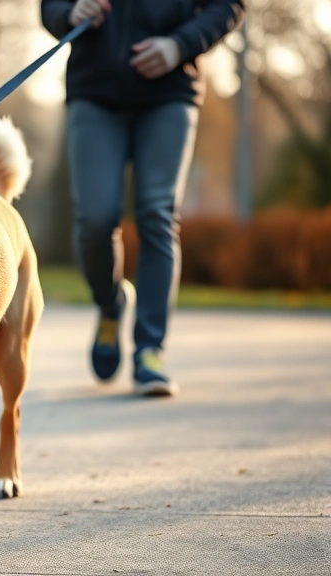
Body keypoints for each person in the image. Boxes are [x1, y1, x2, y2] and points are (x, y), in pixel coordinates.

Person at [41, 0, 246, 396]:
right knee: (95, 221)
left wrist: (180, 45)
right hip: (94, 92)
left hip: (169, 92)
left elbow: (230, 4)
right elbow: (51, 6)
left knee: (157, 214)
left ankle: (150, 351)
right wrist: (70, 13)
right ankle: (110, 305)